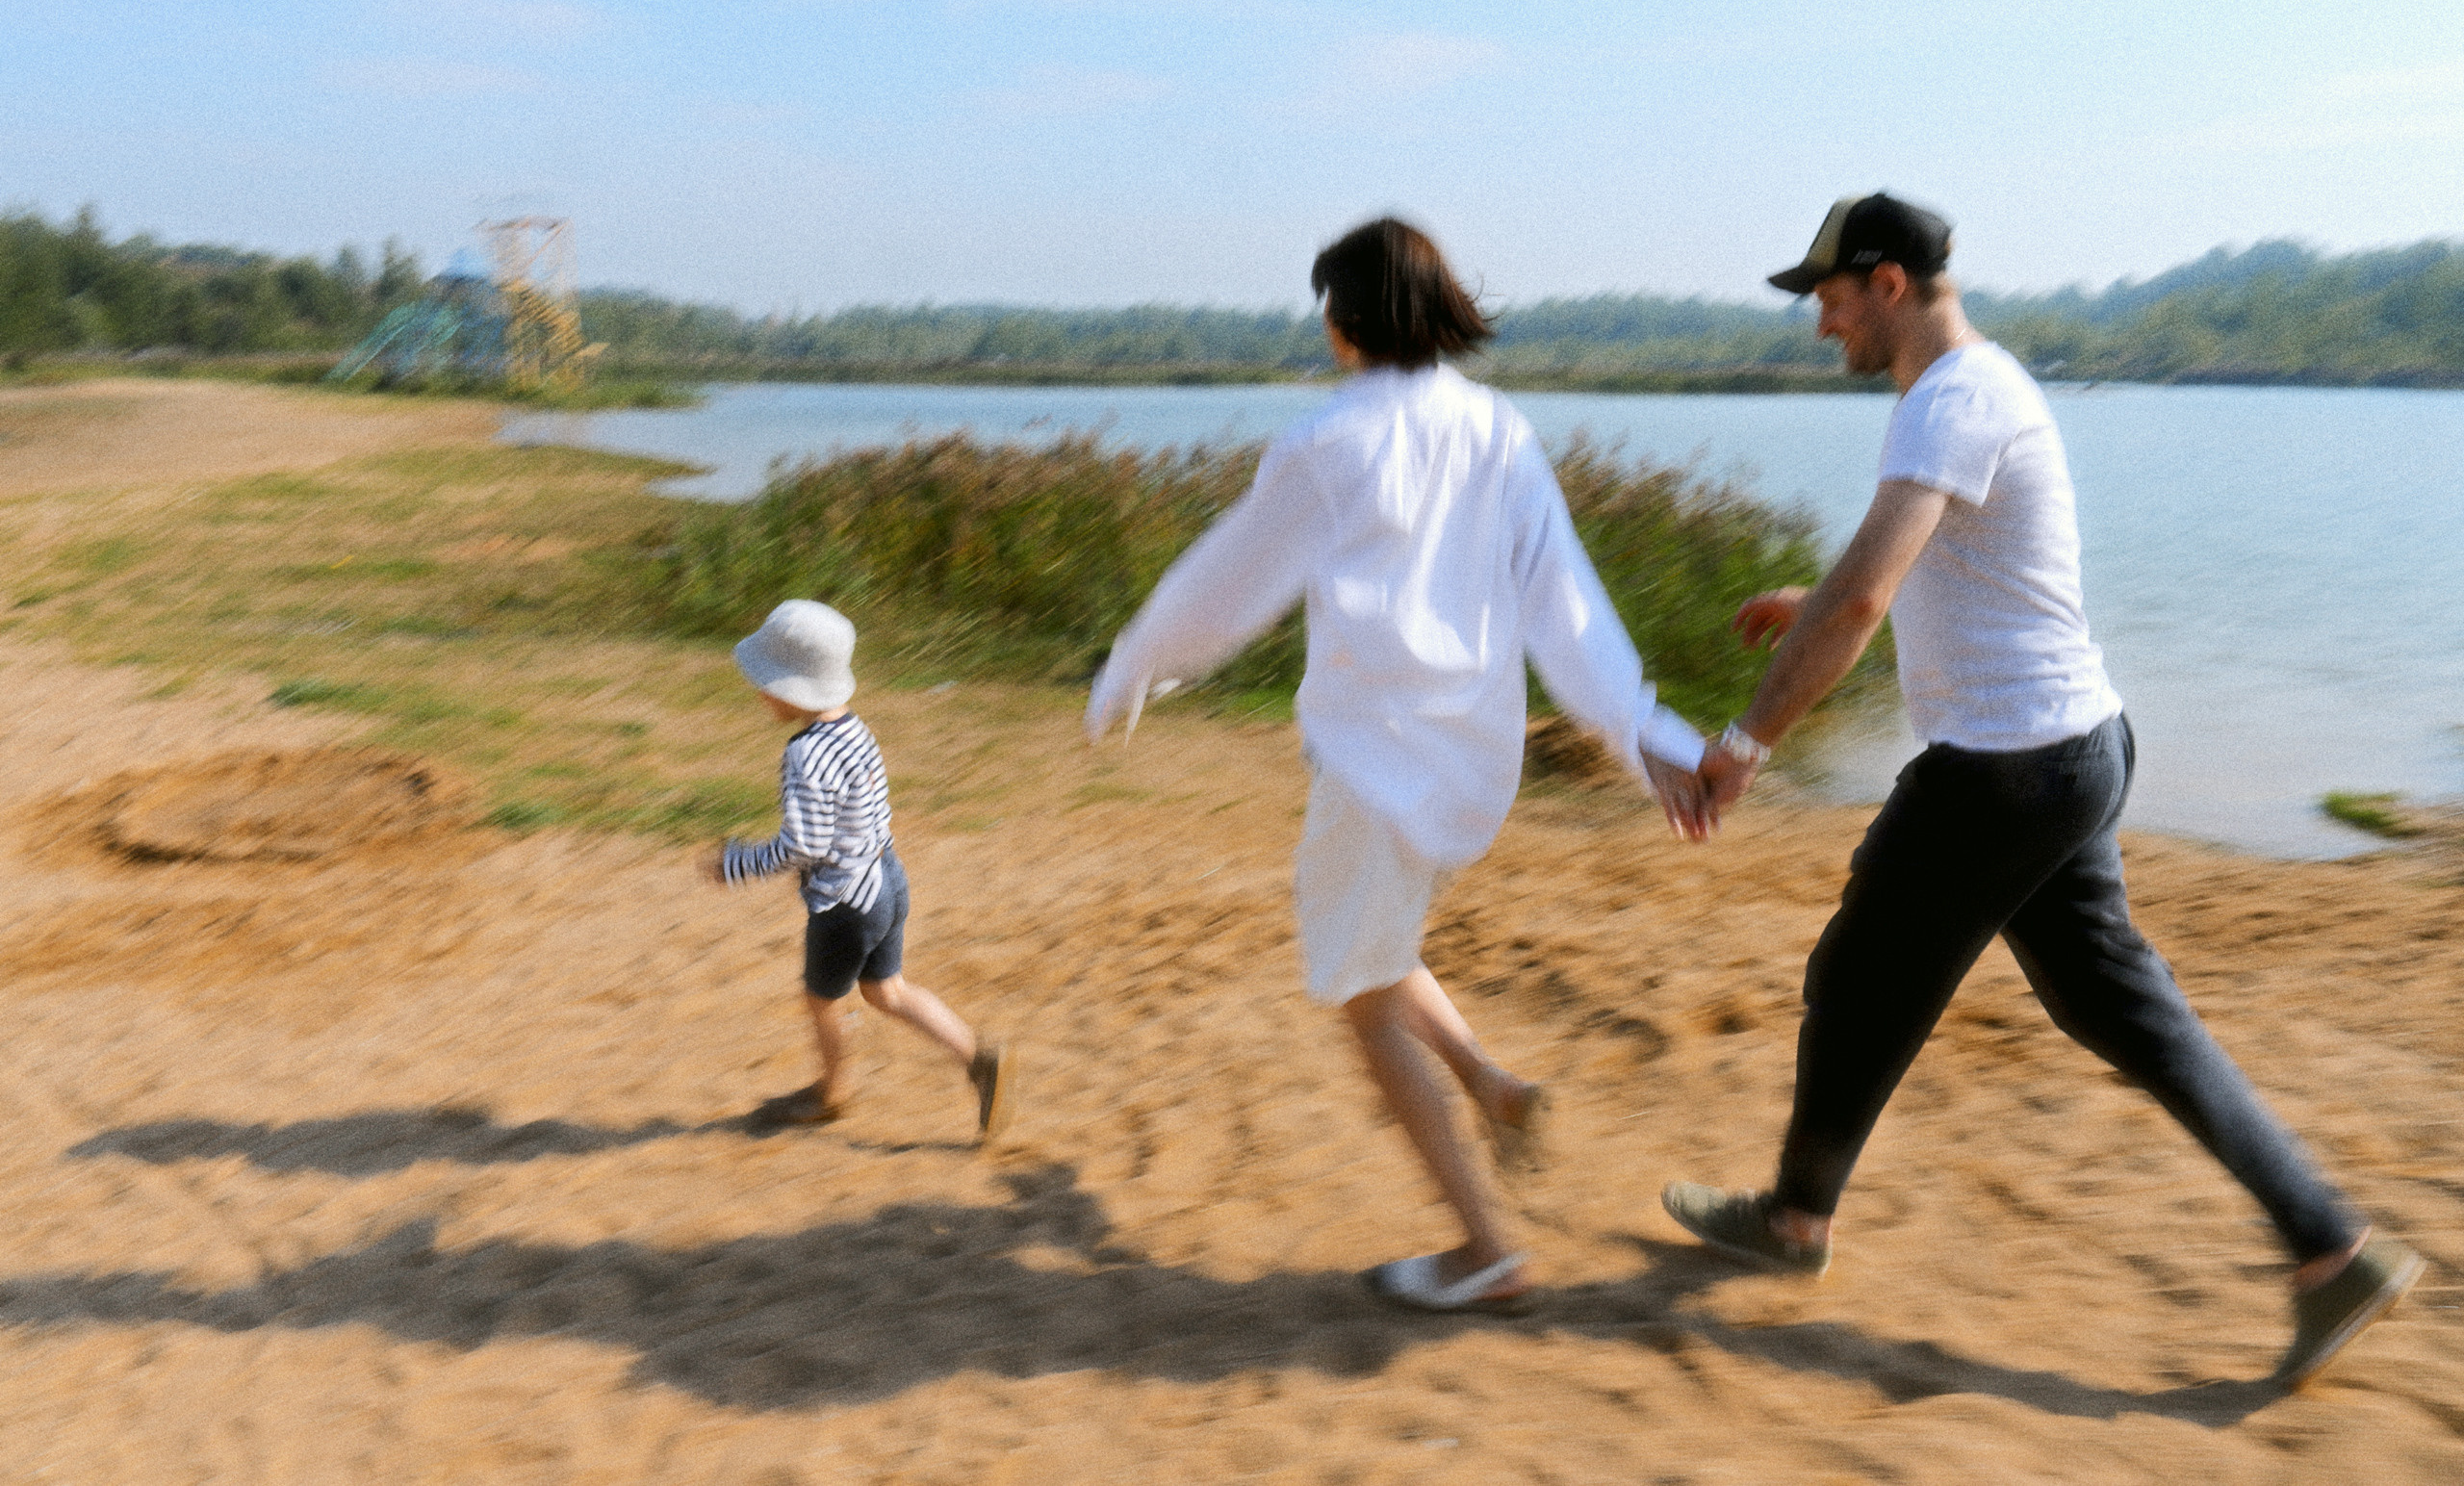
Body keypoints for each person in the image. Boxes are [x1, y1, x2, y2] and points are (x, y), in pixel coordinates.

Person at [1659, 192, 2420, 1388]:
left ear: (1889, 284)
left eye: (1830, 299)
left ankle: (1794, 1221)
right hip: (2079, 747)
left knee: (1856, 979)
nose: (1821, 327)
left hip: (2005, 771)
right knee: (2116, 1006)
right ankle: (2331, 1248)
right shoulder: (1974, 389)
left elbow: (1867, 597)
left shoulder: (1950, 399)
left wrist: (1745, 743)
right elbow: (1902, 569)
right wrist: (1803, 606)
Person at [1088, 218, 1712, 1312]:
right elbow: (1563, 601)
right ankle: (1492, 1085)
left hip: (1377, 760)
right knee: (1372, 949)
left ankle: (1485, 1249)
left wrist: (1133, 666)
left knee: (1357, 993)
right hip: (1471, 755)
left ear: (1343, 325)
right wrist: (1639, 727)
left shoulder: (1329, 443)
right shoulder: (1497, 429)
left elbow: (1221, 583)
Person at [706, 599, 1015, 1141]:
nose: (760, 692)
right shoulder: (855, 730)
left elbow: (803, 845)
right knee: (887, 992)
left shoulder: (805, 754)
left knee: (820, 999)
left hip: (844, 904)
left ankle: (833, 1092)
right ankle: (978, 1058)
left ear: (793, 688)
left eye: (766, 682)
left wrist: (736, 863)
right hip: (886, 880)